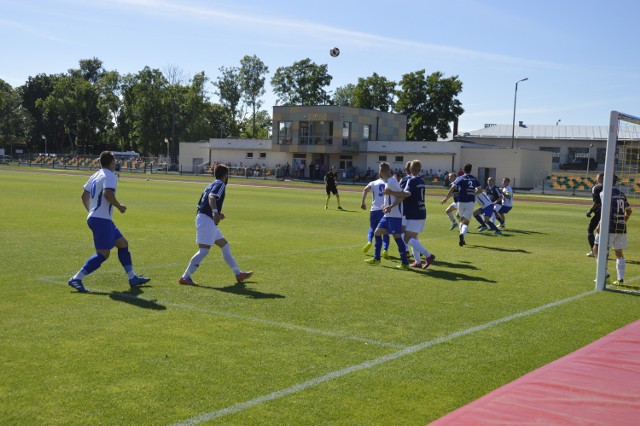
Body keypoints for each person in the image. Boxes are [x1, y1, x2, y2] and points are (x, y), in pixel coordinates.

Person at [68, 151, 150, 293]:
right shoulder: (110, 175)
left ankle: (132, 277)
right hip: (101, 219)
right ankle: (77, 278)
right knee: (103, 254)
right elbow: (107, 193)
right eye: (114, 161)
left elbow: (84, 195)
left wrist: (91, 211)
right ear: (111, 162)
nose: (115, 163)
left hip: (98, 217)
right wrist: (119, 206)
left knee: (122, 243)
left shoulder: (95, 175)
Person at [179, 164, 253, 286]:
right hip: (206, 220)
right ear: (225, 175)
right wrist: (214, 213)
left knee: (225, 245)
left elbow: (202, 204)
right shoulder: (220, 184)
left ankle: (238, 273)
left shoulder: (210, 184)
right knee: (204, 251)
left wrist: (217, 213)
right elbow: (212, 198)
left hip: (205, 219)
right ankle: (185, 277)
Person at [364, 162, 410, 268]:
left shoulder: (392, 181)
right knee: (377, 233)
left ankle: (405, 262)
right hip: (387, 215)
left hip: (394, 215)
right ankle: (377, 259)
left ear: (382, 172)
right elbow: (390, 196)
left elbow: (403, 195)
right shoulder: (387, 182)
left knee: (397, 237)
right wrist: (385, 206)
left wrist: (390, 206)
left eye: (380, 171)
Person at [593, 175, 631, 285]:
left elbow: (606, 211)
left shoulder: (604, 193)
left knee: (597, 248)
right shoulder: (622, 194)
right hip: (621, 227)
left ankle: (604, 273)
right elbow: (629, 211)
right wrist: (622, 220)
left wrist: (599, 224)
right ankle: (620, 279)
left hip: (608, 226)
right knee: (619, 252)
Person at [402, 160, 436, 269]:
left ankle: (428, 256)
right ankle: (417, 262)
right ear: (420, 170)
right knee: (414, 238)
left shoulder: (411, 180)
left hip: (413, 212)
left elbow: (407, 194)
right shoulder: (421, 180)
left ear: (410, 169)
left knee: (405, 238)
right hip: (421, 211)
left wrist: (393, 193)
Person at [441, 164, 480, 247]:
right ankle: (462, 234)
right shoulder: (474, 178)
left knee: (461, 220)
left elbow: (452, 188)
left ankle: (463, 239)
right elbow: (480, 190)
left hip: (460, 202)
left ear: (464, 170)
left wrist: (446, 198)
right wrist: (473, 193)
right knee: (466, 222)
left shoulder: (460, 178)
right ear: (470, 170)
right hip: (470, 202)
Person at [360, 174, 390, 258]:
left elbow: (365, 190)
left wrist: (362, 203)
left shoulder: (373, 183)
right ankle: (385, 250)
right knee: (385, 232)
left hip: (374, 210)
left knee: (372, 228)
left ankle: (369, 241)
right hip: (384, 210)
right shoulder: (388, 183)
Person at [586, 173, 604, 257]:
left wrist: (590, 211)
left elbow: (596, 202)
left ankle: (594, 251)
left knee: (590, 230)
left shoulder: (597, 188)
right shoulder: (612, 188)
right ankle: (605, 252)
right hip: (611, 212)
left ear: (599, 178)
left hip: (600, 211)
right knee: (605, 232)